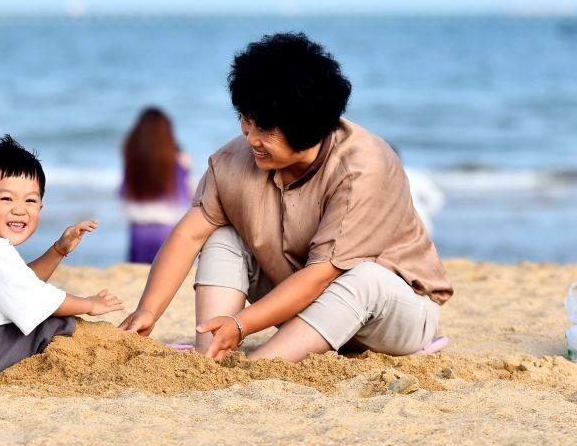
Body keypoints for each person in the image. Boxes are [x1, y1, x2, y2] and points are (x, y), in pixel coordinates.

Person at [119, 32, 453, 362]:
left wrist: (242, 324)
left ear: (306, 127)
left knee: (365, 278)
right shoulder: (233, 162)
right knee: (222, 234)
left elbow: (322, 275)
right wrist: (148, 309)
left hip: (394, 315)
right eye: (246, 122)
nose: (250, 138)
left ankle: (258, 366)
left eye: (264, 129)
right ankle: (210, 354)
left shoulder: (362, 167)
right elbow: (189, 234)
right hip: (305, 309)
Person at [0, 135, 123, 386]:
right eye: (6, 199)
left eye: (30, 200)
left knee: (42, 316)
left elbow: (24, 283)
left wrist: (59, 250)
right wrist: (89, 304)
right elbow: (37, 298)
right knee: (55, 322)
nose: (20, 209)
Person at [121, 108, 192, 263]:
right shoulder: (178, 159)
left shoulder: (132, 157)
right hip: (168, 230)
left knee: (140, 275)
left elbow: (124, 193)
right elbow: (185, 197)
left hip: (139, 230)